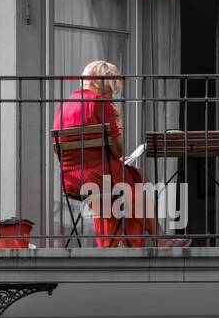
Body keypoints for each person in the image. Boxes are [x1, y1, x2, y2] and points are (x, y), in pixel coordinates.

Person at [53, 60, 189, 248]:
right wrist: (118, 120)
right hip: (99, 176)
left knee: (120, 189)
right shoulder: (101, 103)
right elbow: (118, 150)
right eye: (112, 89)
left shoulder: (64, 107)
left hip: (71, 179)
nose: (112, 94)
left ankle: (112, 245)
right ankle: (157, 236)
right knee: (139, 178)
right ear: (104, 84)